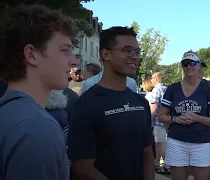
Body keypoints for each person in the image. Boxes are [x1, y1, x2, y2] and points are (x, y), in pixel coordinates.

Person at [0, 4, 77, 180]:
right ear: (32, 55)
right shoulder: (37, 130)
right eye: (64, 50)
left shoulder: (8, 114)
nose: (73, 61)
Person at [67, 26, 155, 180]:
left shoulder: (140, 103)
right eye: (127, 50)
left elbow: (147, 152)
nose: (134, 56)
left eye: (137, 52)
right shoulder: (87, 104)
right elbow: (82, 167)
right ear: (106, 54)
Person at [158, 50, 210, 180]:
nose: (189, 66)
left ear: (199, 65)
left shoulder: (208, 88)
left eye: (192, 63)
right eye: (185, 63)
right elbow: (161, 116)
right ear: (181, 65)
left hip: (202, 142)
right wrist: (176, 119)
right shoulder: (173, 89)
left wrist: (196, 118)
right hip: (177, 140)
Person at [150, 72, 170, 174]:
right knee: (159, 143)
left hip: (158, 120)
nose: (151, 80)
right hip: (166, 120)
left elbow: (154, 106)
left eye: (152, 78)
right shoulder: (165, 89)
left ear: (156, 79)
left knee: (161, 143)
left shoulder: (156, 90)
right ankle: (156, 163)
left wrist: (148, 119)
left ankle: (168, 165)